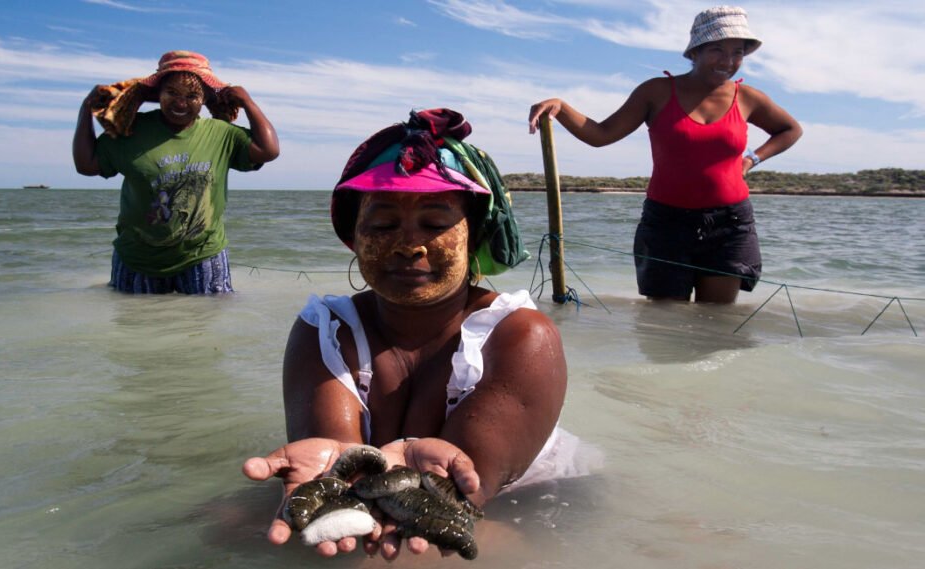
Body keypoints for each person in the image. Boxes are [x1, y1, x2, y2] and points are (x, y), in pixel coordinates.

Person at [243, 109, 597, 559]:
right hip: (395, 490)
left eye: (434, 225)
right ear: (354, 236)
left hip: (535, 495)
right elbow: (341, 464)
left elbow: (465, 486)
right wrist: (341, 479)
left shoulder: (521, 335)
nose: (409, 245)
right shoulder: (326, 330)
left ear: (474, 236)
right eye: (383, 225)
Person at [528, 6, 802, 303]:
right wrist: (562, 107)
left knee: (717, 322)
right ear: (695, 50)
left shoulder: (748, 97)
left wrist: (752, 159)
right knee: (665, 324)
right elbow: (601, 135)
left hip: (730, 225)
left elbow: (790, 130)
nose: (728, 61)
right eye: (717, 49)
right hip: (666, 224)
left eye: (738, 52)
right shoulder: (655, 92)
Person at [73, 50, 279, 294]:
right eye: (172, 93)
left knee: (204, 329)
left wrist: (248, 102)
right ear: (158, 93)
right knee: (136, 329)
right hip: (138, 259)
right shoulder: (132, 130)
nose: (181, 103)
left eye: (192, 96)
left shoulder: (221, 133)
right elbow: (86, 165)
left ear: (203, 99)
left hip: (203, 256)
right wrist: (86, 109)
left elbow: (269, 150)